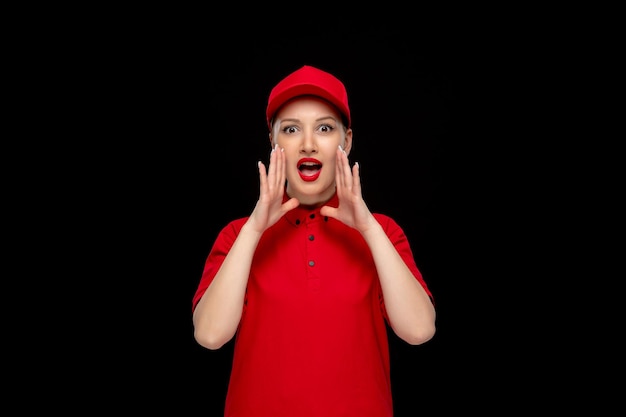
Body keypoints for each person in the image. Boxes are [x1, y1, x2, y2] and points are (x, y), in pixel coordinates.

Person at [192, 65, 436, 417]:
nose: (308, 143)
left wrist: (368, 228)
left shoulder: (382, 231)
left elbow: (420, 330)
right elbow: (210, 336)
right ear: (273, 142)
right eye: (291, 129)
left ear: (346, 141)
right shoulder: (238, 235)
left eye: (324, 128)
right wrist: (255, 228)